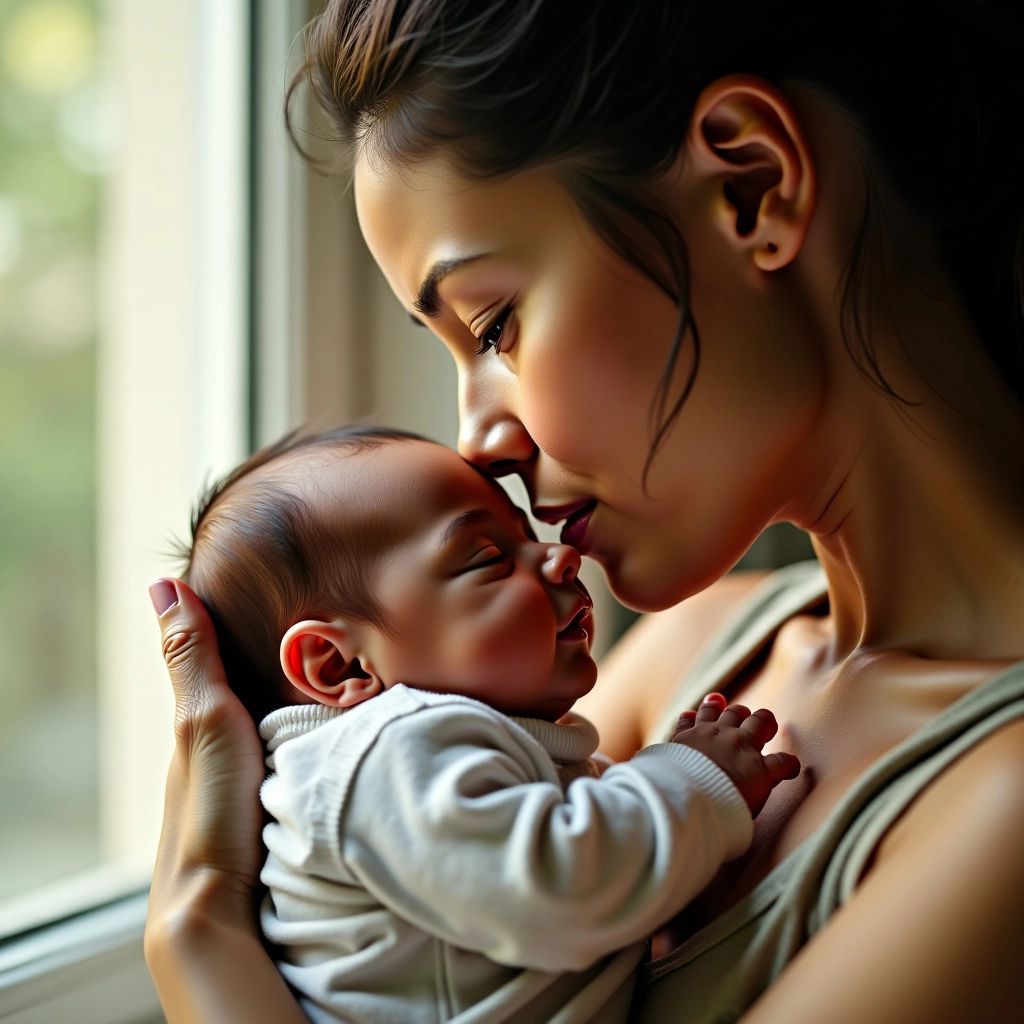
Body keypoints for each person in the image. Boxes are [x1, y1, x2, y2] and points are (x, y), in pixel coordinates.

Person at [144, 2, 1024, 1021]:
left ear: (752, 185)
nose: (483, 442)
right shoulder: (682, 654)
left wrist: (198, 930)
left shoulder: (999, 808)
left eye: (494, 323)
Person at [181, 422, 799, 1022]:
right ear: (341, 664)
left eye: (528, 534)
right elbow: (558, 892)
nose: (559, 556)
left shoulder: (428, 760)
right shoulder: (384, 755)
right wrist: (692, 779)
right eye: (490, 558)